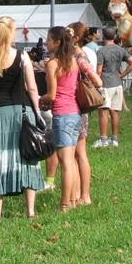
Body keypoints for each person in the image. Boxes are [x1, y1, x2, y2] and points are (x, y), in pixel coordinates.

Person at [0, 16, 44, 220]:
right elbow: (32, 88)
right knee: (28, 157)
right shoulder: (23, 57)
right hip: (23, 112)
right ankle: (31, 211)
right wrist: (38, 113)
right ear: (10, 33)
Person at [43, 26, 85, 212]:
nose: (46, 43)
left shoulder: (53, 64)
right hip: (75, 113)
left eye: (49, 40)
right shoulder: (74, 62)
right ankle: (74, 199)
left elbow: (51, 95)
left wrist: (37, 98)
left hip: (62, 114)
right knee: (73, 160)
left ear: (57, 42)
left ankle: (65, 204)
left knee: (65, 161)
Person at [67, 22, 103, 207]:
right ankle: (81, 193)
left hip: (76, 108)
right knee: (78, 153)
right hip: (80, 109)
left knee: (78, 153)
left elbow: (96, 80)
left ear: (75, 38)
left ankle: (83, 195)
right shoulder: (81, 54)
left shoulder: (78, 56)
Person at [93, 26, 132, 149]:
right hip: (117, 84)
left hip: (106, 84)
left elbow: (99, 71)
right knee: (115, 112)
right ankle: (115, 139)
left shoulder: (101, 51)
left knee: (103, 112)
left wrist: (95, 84)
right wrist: (122, 75)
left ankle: (103, 139)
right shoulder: (120, 49)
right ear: (114, 36)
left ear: (103, 36)